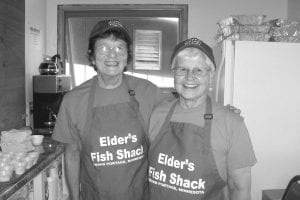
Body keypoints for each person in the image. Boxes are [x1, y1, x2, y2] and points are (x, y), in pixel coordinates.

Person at [52, 19, 166, 200]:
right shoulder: (73, 100)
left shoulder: (149, 92)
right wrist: (74, 197)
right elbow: (72, 154)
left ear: (127, 55)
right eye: (104, 47)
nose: (112, 55)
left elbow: (173, 133)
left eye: (119, 48)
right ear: (91, 55)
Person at [147, 38, 257, 200]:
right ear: (174, 74)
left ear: (210, 76)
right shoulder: (158, 113)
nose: (189, 77)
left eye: (198, 70)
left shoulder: (231, 123)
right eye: (182, 69)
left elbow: (239, 189)